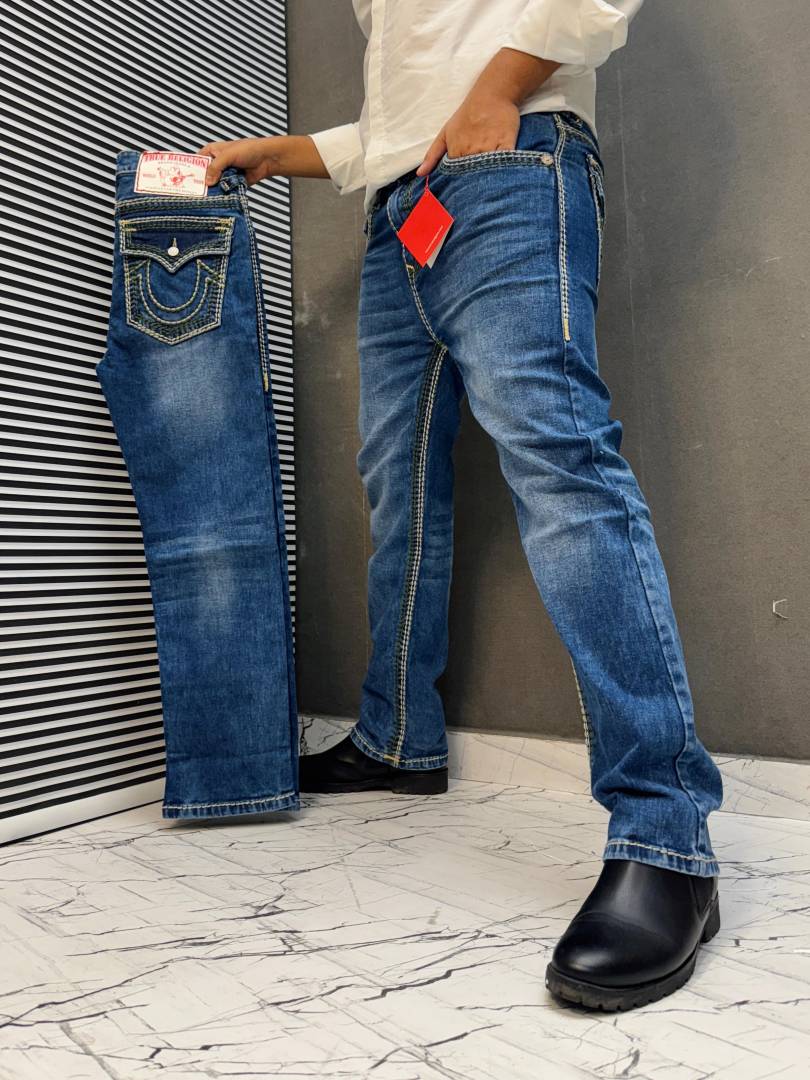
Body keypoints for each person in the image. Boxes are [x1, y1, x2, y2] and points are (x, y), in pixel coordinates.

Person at [198, 0, 724, 1011]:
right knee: (395, 485)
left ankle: (667, 839)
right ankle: (399, 739)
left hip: (510, 170)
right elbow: (405, 108)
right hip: (400, 215)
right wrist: (281, 153)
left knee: (562, 468)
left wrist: (496, 91)